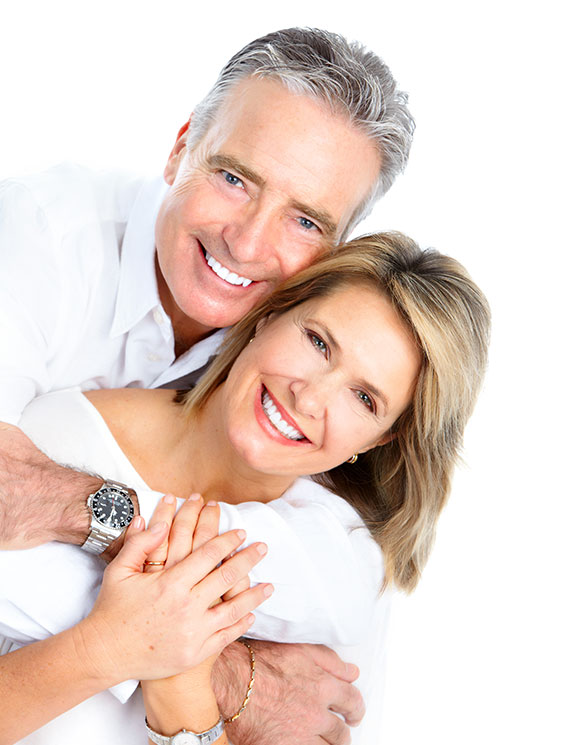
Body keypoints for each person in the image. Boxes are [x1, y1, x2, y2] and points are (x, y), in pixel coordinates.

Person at [0, 29, 414, 742]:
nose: (248, 242)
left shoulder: (290, 377)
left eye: (306, 219)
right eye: (235, 178)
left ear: (337, 248)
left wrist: (163, 622)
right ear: (179, 147)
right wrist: (220, 669)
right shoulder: (39, 241)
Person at [0, 233, 491, 744]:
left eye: (364, 398)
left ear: (380, 438)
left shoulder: (335, 576)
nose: (310, 397)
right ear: (267, 317)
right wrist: (204, 663)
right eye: (319, 343)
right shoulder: (42, 437)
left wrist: (189, 669)